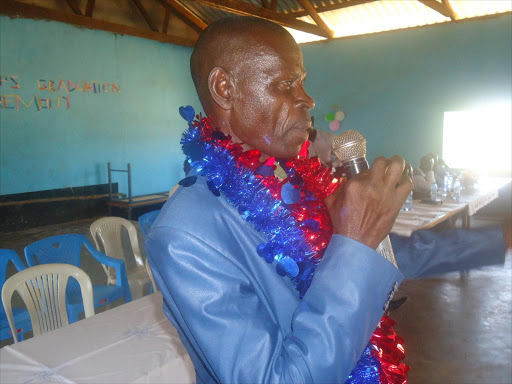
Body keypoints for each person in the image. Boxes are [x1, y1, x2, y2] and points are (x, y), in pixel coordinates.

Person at [146, 17, 506, 384]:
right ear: (225, 88)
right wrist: (355, 244)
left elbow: (356, 278)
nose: (307, 98)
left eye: (302, 81)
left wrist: (369, 241)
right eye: (286, 83)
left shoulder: (292, 185)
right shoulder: (183, 236)